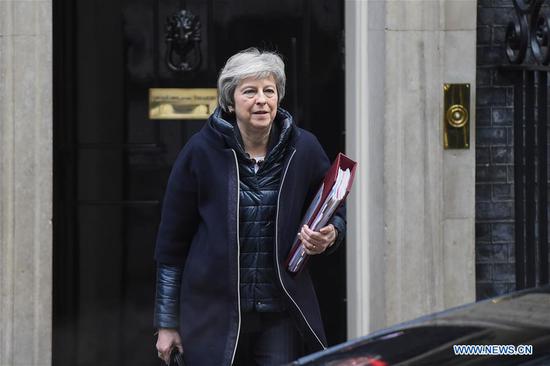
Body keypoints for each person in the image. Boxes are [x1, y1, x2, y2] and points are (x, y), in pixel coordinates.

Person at [153, 47, 346, 366]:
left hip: (280, 314)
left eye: (269, 91)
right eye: (250, 91)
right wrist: (167, 324)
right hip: (213, 314)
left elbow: (335, 208)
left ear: (278, 98)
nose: (261, 100)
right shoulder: (200, 152)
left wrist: (332, 233)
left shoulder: (304, 149)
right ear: (230, 101)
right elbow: (171, 247)